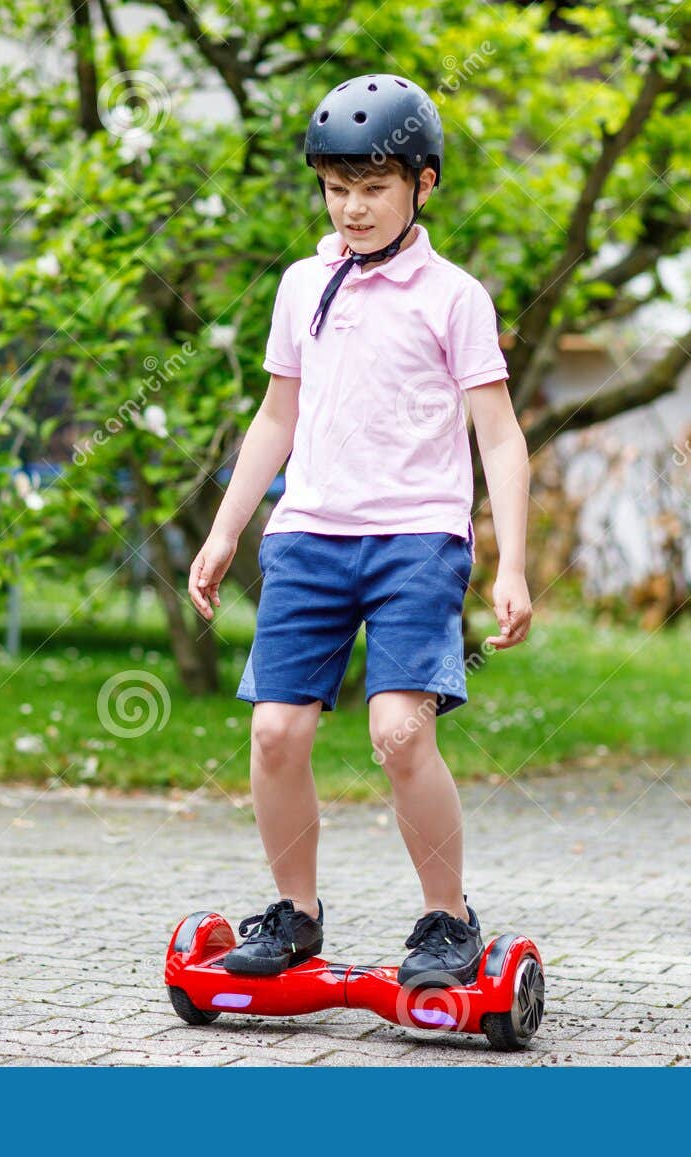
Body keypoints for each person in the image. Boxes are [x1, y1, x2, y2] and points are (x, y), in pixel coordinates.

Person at [187, 73, 532, 989]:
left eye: (373, 187)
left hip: (418, 540)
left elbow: (499, 433)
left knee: (398, 734)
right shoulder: (303, 286)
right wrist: (227, 531)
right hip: (308, 537)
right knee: (274, 734)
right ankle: (294, 917)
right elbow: (275, 418)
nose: (352, 207)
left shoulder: (454, 296)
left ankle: (447, 922)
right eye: (337, 189)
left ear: (422, 185)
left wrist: (513, 566)